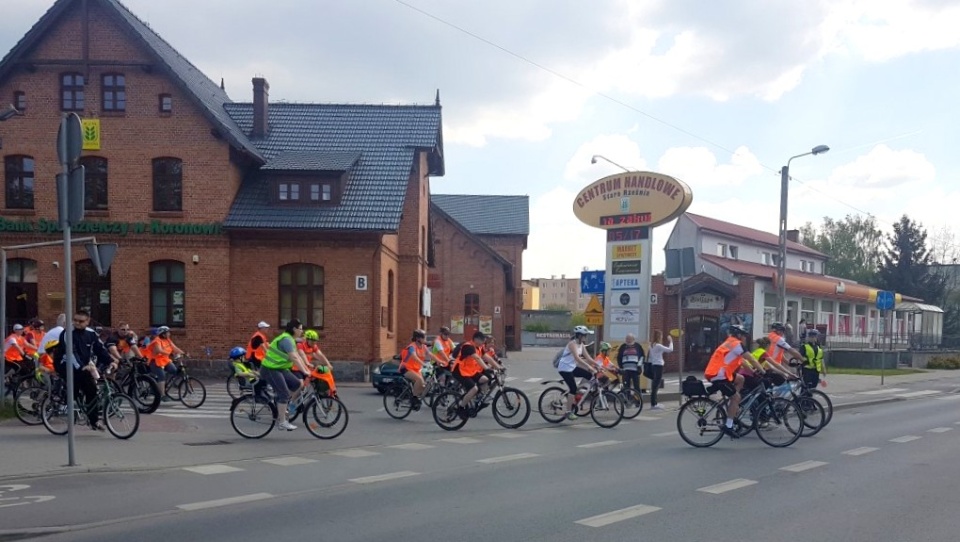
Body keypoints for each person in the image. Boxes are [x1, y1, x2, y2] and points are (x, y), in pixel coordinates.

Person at [52, 310, 121, 431]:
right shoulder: (67, 333)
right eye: (75, 320)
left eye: (81, 321)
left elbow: (100, 349)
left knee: (92, 390)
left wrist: (111, 361)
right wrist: (81, 366)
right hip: (65, 363)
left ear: (88, 321)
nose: (77, 323)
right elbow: (71, 352)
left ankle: (93, 421)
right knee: (75, 386)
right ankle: (64, 402)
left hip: (84, 363)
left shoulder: (91, 333)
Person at [704, 324, 762, 438]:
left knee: (741, 379)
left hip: (720, 373)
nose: (745, 338)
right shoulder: (736, 344)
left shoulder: (731, 343)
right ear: (739, 335)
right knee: (736, 397)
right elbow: (751, 359)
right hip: (718, 375)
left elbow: (744, 363)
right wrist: (763, 372)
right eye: (744, 335)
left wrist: (753, 372)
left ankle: (733, 406)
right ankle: (728, 426)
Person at [260, 319, 311, 430]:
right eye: (301, 329)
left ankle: (281, 403)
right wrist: (305, 371)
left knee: (296, 384)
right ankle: (282, 421)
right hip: (270, 369)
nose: (302, 331)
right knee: (284, 394)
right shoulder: (286, 340)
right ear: (294, 329)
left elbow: (297, 356)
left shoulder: (290, 339)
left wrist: (306, 368)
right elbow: (293, 357)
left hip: (280, 368)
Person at [557, 326, 600, 421]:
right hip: (564, 368)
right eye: (585, 335)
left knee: (589, 375)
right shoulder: (572, 344)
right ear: (579, 335)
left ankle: (578, 396)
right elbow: (577, 358)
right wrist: (589, 367)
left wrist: (598, 365)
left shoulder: (582, 345)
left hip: (572, 367)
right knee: (573, 388)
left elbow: (588, 358)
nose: (586, 337)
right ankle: (568, 412)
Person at [451, 330, 492, 418]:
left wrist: (499, 367)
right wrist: (487, 368)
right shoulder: (468, 346)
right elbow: (477, 358)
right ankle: (461, 408)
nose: (483, 344)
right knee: (474, 388)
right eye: (482, 341)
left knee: (485, 379)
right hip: (459, 370)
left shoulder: (479, 347)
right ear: (476, 339)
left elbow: (487, 357)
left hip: (469, 371)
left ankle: (477, 399)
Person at [149, 326, 185, 401]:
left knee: (174, 371)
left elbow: (175, 348)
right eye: (168, 332)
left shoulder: (168, 340)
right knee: (161, 375)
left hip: (165, 360)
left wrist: (183, 353)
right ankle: (162, 395)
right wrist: (170, 353)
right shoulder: (157, 340)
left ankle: (163, 385)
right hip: (155, 361)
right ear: (163, 334)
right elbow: (159, 350)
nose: (169, 334)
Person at [399, 329, 430, 410]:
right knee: (419, 380)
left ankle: (414, 396)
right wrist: (424, 364)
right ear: (418, 339)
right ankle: (413, 399)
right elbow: (414, 356)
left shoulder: (423, 347)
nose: (425, 339)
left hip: (415, 369)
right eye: (424, 338)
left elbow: (431, 354)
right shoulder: (412, 347)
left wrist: (442, 361)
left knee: (423, 385)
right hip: (405, 368)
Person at [299, 329, 336, 394]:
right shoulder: (301, 345)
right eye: (312, 341)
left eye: (315, 341)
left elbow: (320, 355)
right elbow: (302, 355)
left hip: (307, 367)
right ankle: (295, 399)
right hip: (298, 367)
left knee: (318, 379)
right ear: (307, 340)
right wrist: (307, 363)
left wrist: (328, 364)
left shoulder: (313, 346)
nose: (314, 343)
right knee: (301, 385)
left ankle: (318, 396)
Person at [647, 330, 674, 410]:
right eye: (661, 335)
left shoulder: (651, 345)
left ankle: (654, 403)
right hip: (659, 365)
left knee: (654, 385)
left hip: (653, 365)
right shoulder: (658, 345)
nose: (662, 337)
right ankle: (654, 404)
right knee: (656, 385)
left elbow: (651, 357)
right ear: (659, 336)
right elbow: (670, 350)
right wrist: (671, 341)